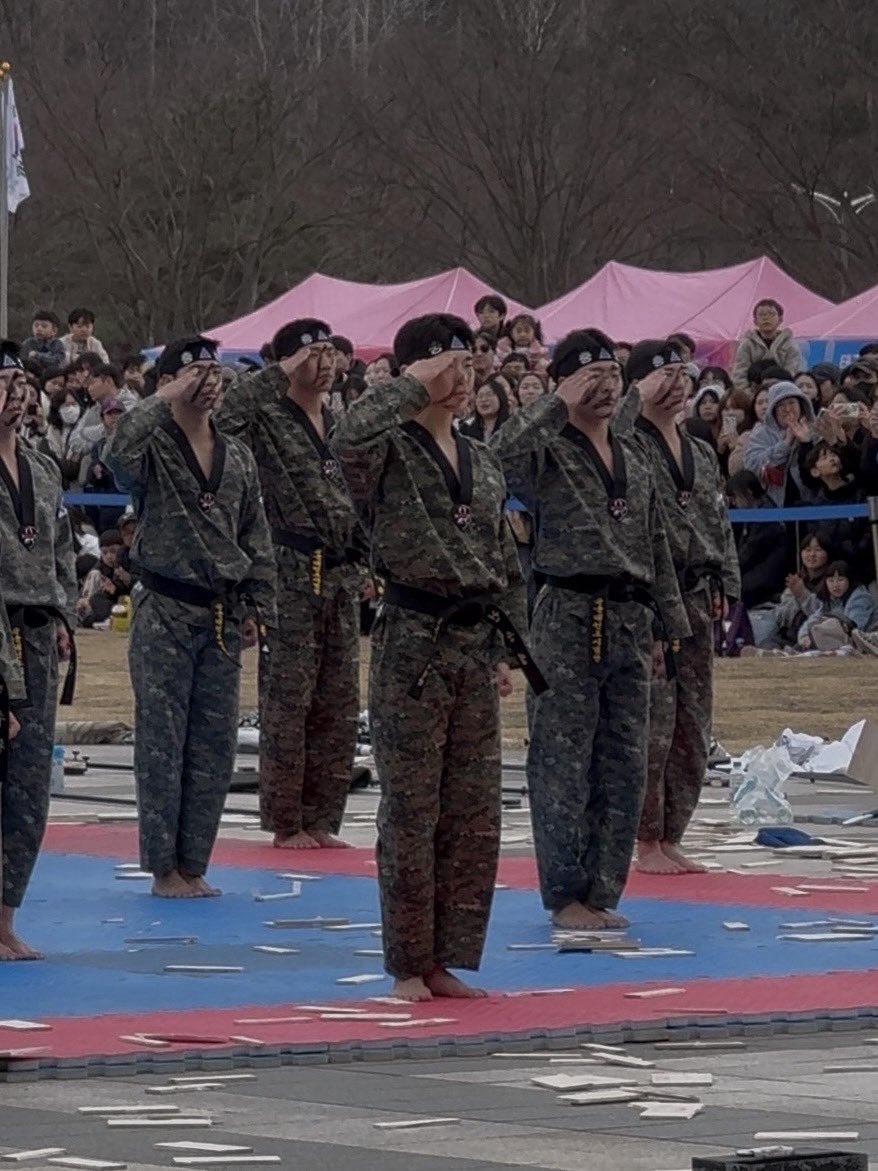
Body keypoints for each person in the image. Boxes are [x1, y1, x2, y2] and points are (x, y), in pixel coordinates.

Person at [331, 312, 534, 1002]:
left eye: (470, 364)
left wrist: (508, 646)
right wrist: (412, 384)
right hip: (414, 637)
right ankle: (408, 962)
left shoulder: (481, 458)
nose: (463, 377)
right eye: (450, 365)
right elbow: (347, 436)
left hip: (475, 639)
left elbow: (505, 563)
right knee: (412, 808)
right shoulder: (387, 448)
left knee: (473, 810)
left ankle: (448, 956)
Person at [493, 329, 689, 932]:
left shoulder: (633, 450)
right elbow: (497, 460)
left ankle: (604, 887)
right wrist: (555, 403)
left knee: (625, 759)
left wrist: (669, 627)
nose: (605, 388)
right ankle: (564, 893)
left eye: (612, 376)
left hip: (631, 615)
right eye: (590, 377)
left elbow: (655, 543)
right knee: (561, 757)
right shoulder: (546, 449)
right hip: (567, 612)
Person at [104, 336, 276, 899]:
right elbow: (116, 454)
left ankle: (194, 861)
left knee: (213, 744)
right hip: (165, 609)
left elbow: (255, 536)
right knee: (163, 740)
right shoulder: (152, 445)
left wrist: (258, 606)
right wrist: (163, 397)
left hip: (221, 613)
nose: (210, 382)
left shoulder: (238, 456)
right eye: (196, 372)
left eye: (215, 372)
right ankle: (163, 867)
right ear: (170, 382)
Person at [215, 319, 361, 850]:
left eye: (329, 353)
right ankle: (286, 819)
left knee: (338, 700)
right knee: (289, 698)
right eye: (312, 355)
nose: (325, 364)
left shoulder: (338, 422)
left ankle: (323, 816)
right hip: (291, 567)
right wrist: (277, 374)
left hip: (341, 571)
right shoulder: (268, 417)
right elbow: (225, 419)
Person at [618, 341, 739, 876]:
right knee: (655, 721)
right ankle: (645, 837)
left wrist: (727, 582)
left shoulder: (700, 451)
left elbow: (718, 521)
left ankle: (671, 834)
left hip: (697, 593)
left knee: (693, 721)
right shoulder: (628, 444)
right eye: (663, 376)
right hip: (652, 599)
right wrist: (634, 396)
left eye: (681, 375)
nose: (676, 386)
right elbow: (613, 431)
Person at [0, 341, 77, 959]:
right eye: (3, 381)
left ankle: (5, 917)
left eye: (19, 381)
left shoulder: (43, 468)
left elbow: (62, 549)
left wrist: (65, 615)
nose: (15, 391)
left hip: (37, 634)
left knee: (28, 788)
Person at [744, 380, 816, 505]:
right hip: (773, 504)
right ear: (773, 409)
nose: (787, 409)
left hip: (810, 502)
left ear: (801, 405)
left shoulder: (815, 430)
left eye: (792, 403)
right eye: (781, 405)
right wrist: (785, 444)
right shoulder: (760, 433)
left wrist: (806, 442)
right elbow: (751, 466)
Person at [726, 471, 788, 611]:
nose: (733, 503)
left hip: (766, 580)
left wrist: (729, 567)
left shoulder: (765, 518)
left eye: (735, 497)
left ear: (749, 492)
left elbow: (749, 552)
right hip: (756, 572)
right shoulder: (754, 513)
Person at [798, 561, 876, 650]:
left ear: (849, 580)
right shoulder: (830, 600)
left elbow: (853, 626)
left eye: (840, 580)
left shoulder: (860, 597)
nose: (835, 585)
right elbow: (814, 618)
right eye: (831, 581)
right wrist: (804, 635)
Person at [68, 363, 137, 460]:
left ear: (108, 381)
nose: (89, 388)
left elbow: (118, 430)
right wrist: (97, 445)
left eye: (92, 383)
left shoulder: (131, 404)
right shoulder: (93, 409)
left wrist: (85, 432)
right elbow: (74, 441)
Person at [732, 300, 803, 389]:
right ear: (755, 321)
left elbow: (792, 372)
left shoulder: (790, 345)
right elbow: (740, 373)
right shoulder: (747, 344)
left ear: (780, 319)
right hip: (754, 391)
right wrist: (749, 393)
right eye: (761, 315)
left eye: (771, 314)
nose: (766, 318)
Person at [80, 398, 127, 531]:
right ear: (102, 418)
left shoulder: (135, 442)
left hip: (132, 500)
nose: (114, 417)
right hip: (110, 503)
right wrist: (97, 474)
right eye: (110, 414)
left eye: (118, 413)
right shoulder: (99, 446)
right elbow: (95, 478)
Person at [458, 376, 510, 441]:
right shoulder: (466, 430)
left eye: (489, 395)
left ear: (501, 398)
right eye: (480, 396)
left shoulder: (513, 426)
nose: (484, 399)